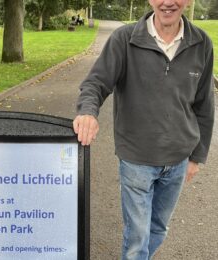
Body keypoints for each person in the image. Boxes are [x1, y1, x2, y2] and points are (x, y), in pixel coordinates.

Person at [73, 0, 214, 259]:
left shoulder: (202, 43)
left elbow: (205, 105)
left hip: (179, 159)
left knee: (158, 228)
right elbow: (95, 83)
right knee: (138, 236)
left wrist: (197, 156)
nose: (168, 2)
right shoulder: (124, 39)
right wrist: (87, 111)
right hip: (137, 159)